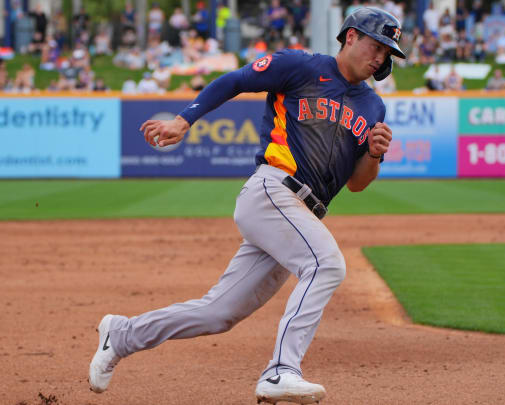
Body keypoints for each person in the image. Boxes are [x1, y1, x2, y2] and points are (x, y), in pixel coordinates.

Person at [88, 8, 404, 404]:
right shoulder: (301, 66)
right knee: (326, 264)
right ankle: (280, 372)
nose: (381, 57)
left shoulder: (373, 108)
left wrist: (374, 155)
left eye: (387, 52)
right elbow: (237, 80)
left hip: (300, 213)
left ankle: (122, 334)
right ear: (351, 36)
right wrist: (185, 121)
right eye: (377, 45)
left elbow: (357, 184)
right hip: (273, 190)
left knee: (218, 312)